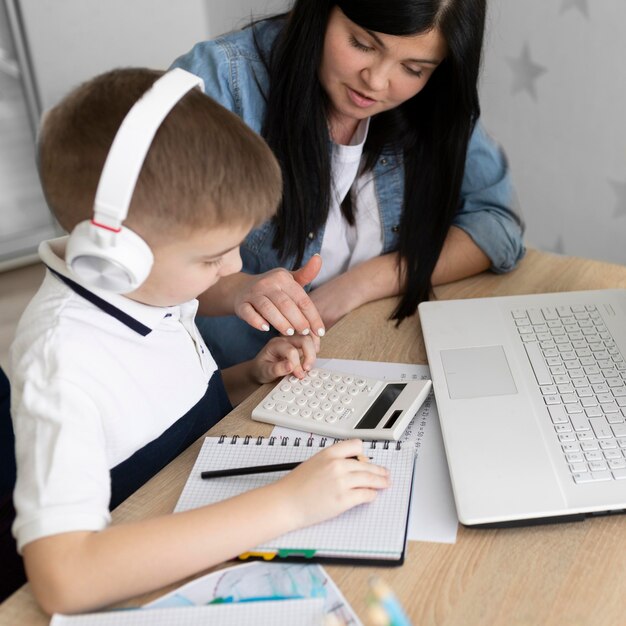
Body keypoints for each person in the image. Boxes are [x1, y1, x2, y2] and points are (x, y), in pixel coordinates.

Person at [7, 68, 389, 613]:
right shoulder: (62, 362)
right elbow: (63, 577)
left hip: (195, 491)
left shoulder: (147, 294)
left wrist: (246, 379)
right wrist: (289, 505)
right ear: (117, 257)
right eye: (212, 258)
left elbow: (162, 419)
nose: (235, 267)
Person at [171, 0, 526, 368]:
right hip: (228, 386)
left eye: (412, 68)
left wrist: (364, 283)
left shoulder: (435, 101)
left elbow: (497, 224)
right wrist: (240, 289)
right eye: (362, 44)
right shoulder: (220, 82)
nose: (375, 81)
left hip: (367, 352)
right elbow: (148, 260)